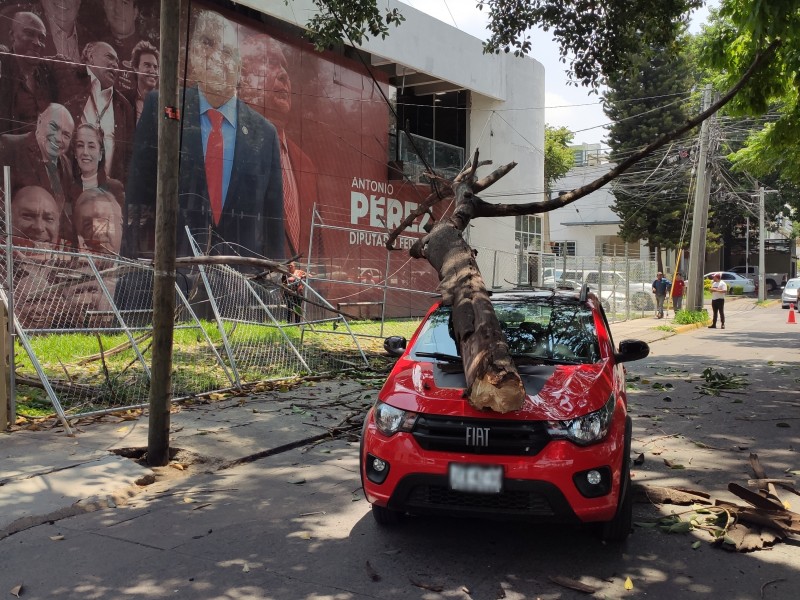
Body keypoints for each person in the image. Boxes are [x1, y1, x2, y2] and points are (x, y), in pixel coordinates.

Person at [125, 7, 284, 261]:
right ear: (193, 55)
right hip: (169, 287)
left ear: (239, 68)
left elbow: (273, 226)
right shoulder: (160, 107)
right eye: (207, 43)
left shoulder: (265, 134)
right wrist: (133, 276)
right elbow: (138, 200)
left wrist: (273, 288)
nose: (217, 56)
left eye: (227, 51)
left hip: (239, 292)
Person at [241, 35, 319, 258]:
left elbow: (316, 245)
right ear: (245, 78)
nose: (284, 74)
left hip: (298, 287)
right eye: (272, 63)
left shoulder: (306, 165)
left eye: (284, 66)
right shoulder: (230, 145)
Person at [53, 41, 135, 184]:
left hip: (107, 192)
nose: (115, 64)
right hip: (69, 186)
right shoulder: (67, 79)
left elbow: (129, 156)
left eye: (117, 61)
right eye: (109, 57)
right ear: (91, 57)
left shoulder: (123, 105)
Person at [0, 103, 75, 211]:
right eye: (54, 127)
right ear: (39, 121)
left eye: (66, 135)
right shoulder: (10, 147)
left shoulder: (66, 164)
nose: (59, 138)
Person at [0, 11, 56, 134]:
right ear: (12, 35)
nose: (37, 42)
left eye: (41, 38)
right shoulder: (3, 70)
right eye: (29, 33)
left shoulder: (47, 75)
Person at [72, 187, 124, 254]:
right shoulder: (77, 263)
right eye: (88, 225)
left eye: (102, 220)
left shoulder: (137, 254)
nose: (96, 231)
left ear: (120, 220)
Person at [121, 40, 158, 123]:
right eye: (147, 65)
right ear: (135, 68)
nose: (153, 71)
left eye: (155, 67)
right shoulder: (122, 99)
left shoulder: (166, 102)